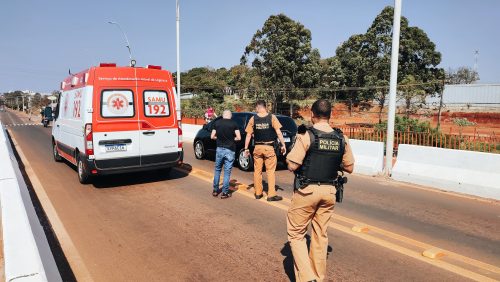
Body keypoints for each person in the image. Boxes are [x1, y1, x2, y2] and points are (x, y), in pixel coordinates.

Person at [285, 99, 355, 282]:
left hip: (307, 191)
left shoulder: (307, 135)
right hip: (330, 192)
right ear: (330, 115)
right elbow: (350, 167)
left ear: (312, 115)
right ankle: (317, 276)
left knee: (296, 234)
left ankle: (307, 278)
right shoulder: (341, 138)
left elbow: (293, 165)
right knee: (320, 235)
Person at [244, 100, 287, 201]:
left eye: (256, 108)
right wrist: (283, 145)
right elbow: (279, 133)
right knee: (270, 171)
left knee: (257, 171)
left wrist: (246, 148)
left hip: (257, 148)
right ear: (265, 107)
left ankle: (258, 193)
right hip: (269, 148)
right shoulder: (272, 117)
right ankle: (271, 195)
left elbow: (248, 135)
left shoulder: (253, 118)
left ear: (258, 107)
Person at [211, 110, 241, 199]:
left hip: (219, 149)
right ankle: (224, 193)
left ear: (223, 115)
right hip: (230, 149)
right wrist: (232, 140)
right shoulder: (234, 124)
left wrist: (218, 138)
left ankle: (215, 190)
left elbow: (212, 136)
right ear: (230, 116)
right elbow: (239, 137)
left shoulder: (217, 123)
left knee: (217, 170)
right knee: (227, 172)